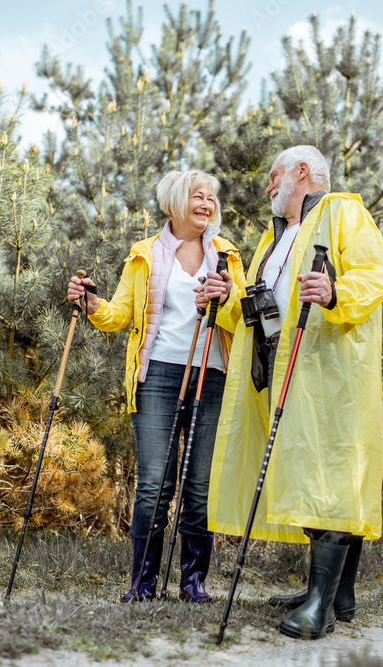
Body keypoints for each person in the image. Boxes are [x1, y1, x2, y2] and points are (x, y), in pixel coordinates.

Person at [207, 146, 383, 639]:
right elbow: (262, 308)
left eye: (274, 177)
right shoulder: (275, 237)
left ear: (302, 173)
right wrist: (227, 298)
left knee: (328, 474)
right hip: (282, 370)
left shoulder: (342, 210)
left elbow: (377, 273)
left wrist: (336, 294)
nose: (269, 187)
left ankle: (321, 605)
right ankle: (337, 594)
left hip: (328, 374)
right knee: (312, 472)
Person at [68, 170, 245, 603]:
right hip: (159, 377)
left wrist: (221, 303)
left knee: (199, 485)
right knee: (154, 484)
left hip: (212, 373)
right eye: (197, 196)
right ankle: (142, 584)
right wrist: (91, 303)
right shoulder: (145, 255)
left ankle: (193, 583)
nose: (207, 204)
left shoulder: (227, 256)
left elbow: (243, 318)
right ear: (176, 201)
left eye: (211, 198)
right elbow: (119, 314)